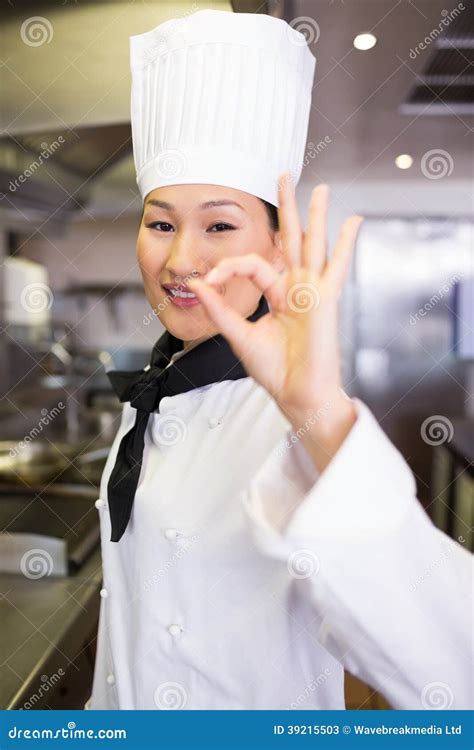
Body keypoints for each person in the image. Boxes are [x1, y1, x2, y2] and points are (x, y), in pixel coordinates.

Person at [85, 9, 471, 710]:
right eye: (161, 222)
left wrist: (318, 415)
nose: (180, 260)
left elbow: (455, 672)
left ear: (273, 245)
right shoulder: (160, 386)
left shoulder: (291, 426)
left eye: (220, 225)